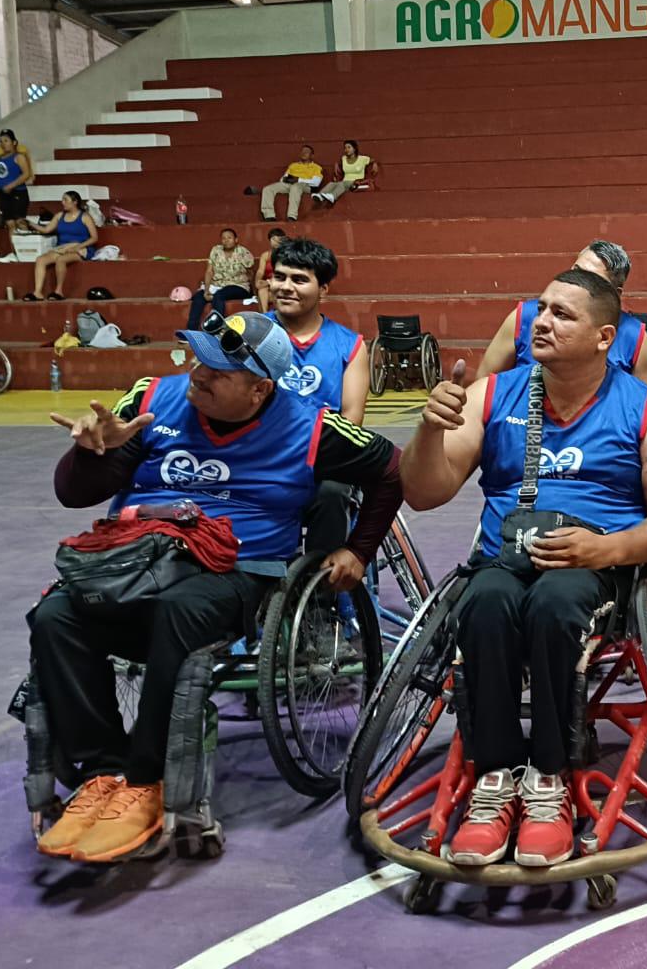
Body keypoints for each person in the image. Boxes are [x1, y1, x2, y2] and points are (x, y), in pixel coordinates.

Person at [30, 312, 403, 864]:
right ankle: (101, 771)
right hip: (140, 558)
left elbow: (392, 471)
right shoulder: (156, 399)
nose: (199, 375)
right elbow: (73, 493)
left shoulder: (314, 427)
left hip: (240, 570)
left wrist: (357, 549)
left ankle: (144, 779)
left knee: (179, 610)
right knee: (56, 613)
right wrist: (92, 454)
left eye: (219, 371)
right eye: (200, 360)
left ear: (260, 389)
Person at [401, 269, 647, 868]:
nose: (541, 321)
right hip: (505, 559)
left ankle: (550, 778)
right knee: (481, 603)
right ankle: (496, 778)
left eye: (563, 314)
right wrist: (429, 432)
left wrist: (604, 550)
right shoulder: (494, 394)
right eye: (540, 309)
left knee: (555, 604)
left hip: (598, 567)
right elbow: (423, 492)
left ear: (603, 337)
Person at [265, 237, 371, 559]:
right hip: (258, 458)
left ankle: (321, 598)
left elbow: (351, 422)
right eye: (279, 276)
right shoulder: (248, 333)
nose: (285, 287)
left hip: (318, 464)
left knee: (334, 491)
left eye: (299, 280)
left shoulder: (349, 346)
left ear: (323, 289)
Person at [479, 240, 647, 389]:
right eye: (576, 271)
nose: (576, 282)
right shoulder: (524, 317)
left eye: (591, 280)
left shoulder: (634, 337)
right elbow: (483, 385)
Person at [24, 190, 97, 301]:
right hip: (62, 248)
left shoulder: (85, 217)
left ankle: (58, 291)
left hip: (81, 248)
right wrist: (30, 223)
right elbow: (46, 229)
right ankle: (37, 292)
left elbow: (94, 238)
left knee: (61, 260)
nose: (62, 202)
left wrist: (78, 247)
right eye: (62, 200)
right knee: (40, 260)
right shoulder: (59, 216)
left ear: (75, 202)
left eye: (65, 200)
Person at [185, 227, 255, 329]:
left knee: (219, 295)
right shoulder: (216, 250)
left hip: (238, 285)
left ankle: (217, 329)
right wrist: (206, 290)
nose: (226, 240)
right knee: (199, 297)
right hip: (217, 285)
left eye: (229, 238)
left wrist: (252, 292)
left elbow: (251, 272)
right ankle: (191, 330)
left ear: (236, 240)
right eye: (223, 238)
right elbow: (209, 271)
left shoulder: (243, 252)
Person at [0, 128, 34, 238]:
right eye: (1, 141)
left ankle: (26, 249)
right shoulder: (0, 158)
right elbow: (1, 175)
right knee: (10, 224)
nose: (3, 144)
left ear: (14, 142)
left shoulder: (19, 156)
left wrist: (11, 186)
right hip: (4, 194)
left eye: (6, 140)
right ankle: (14, 251)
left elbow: (26, 174)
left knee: (20, 222)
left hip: (18, 193)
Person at [261, 145, 323, 222]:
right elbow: (282, 179)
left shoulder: (316, 167)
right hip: (289, 184)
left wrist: (298, 180)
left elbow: (316, 183)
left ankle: (292, 216)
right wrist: (286, 179)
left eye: (306, 152)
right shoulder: (293, 165)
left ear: (312, 155)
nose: (304, 153)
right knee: (268, 189)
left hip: (305, 185)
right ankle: (269, 215)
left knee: (295, 187)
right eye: (302, 151)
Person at [315, 140, 378, 207]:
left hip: (356, 183)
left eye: (349, 147)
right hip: (345, 183)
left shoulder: (362, 159)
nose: (346, 149)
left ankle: (333, 196)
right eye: (345, 148)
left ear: (354, 149)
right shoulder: (343, 158)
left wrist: (375, 164)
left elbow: (373, 160)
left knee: (342, 184)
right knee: (332, 183)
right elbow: (339, 162)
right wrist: (336, 164)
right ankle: (320, 196)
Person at [254, 227, 287, 309]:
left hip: (281, 283)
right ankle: (265, 316)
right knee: (262, 290)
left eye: (278, 239)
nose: (276, 242)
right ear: (269, 241)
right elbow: (260, 271)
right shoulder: (265, 255)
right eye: (273, 239)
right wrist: (257, 281)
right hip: (269, 286)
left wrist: (269, 282)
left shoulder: (287, 254)